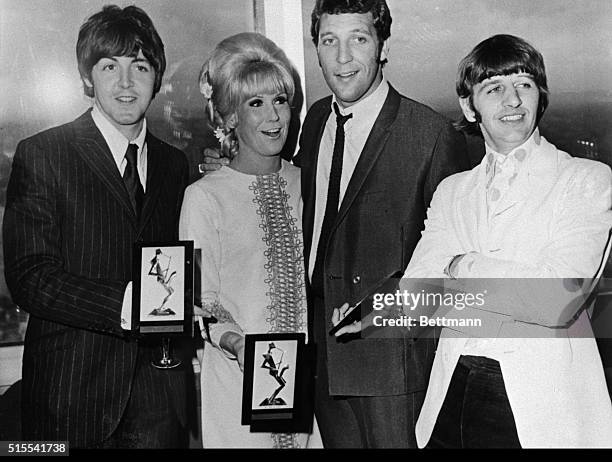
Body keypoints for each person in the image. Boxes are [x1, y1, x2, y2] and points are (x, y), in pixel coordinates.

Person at [200, 0, 470, 447]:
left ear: (382, 46)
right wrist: (226, 169)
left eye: (357, 39)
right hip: (320, 360)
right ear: (317, 50)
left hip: (391, 369)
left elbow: (446, 272)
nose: (342, 58)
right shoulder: (317, 119)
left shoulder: (432, 136)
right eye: (329, 42)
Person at [390, 34, 612, 448]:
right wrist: (515, 289)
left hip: (541, 412)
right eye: (493, 88)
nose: (512, 101)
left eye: (523, 85)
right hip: (450, 398)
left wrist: (461, 266)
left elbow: (555, 300)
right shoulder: (452, 191)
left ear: (539, 96)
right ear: (468, 106)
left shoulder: (585, 180)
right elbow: (414, 297)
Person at [3, 5, 194, 448]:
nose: (126, 83)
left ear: (156, 77)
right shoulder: (44, 154)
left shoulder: (174, 165)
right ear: (89, 77)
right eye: (110, 66)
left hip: (158, 407)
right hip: (68, 403)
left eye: (139, 66)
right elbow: (29, 277)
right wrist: (128, 303)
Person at [179, 32, 321, 449]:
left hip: (309, 390)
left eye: (280, 100)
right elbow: (199, 296)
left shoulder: (310, 182)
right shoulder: (204, 196)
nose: (273, 117)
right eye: (255, 104)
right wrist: (237, 342)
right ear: (230, 118)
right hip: (238, 380)